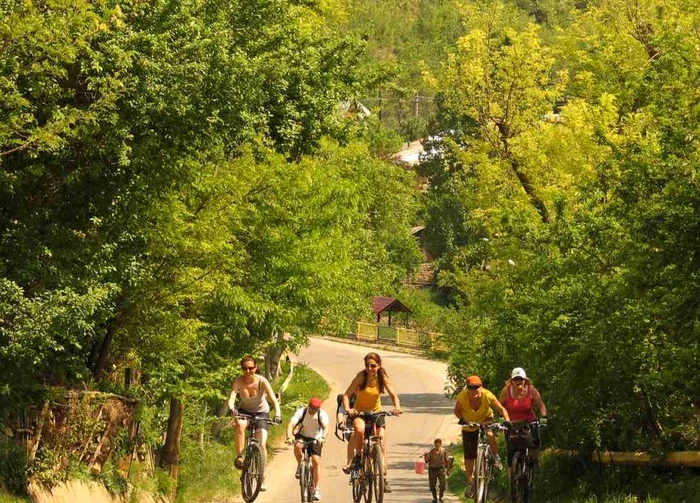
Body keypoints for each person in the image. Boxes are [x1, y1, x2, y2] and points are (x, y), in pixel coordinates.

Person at [341, 352, 402, 493]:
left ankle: (382, 476)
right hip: (359, 412)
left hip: (376, 413)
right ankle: (358, 458)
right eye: (367, 365)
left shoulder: (382, 377)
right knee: (360, 430)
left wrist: (397, 407)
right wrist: (348, 409)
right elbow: (346, 395)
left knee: (381, 442)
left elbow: (394, 395)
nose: (370, 368)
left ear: (379, 366)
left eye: (373, 366)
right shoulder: (360, 377)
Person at [228, 355, 282, 492]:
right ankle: (240, 457)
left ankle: (261, 476)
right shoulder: (238, 382)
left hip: (261, 413)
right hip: (244, 411)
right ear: (242, 369)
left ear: (256, 368)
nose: (248, 371)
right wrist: (232, 408)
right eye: (245, 368)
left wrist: (278, 414)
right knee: (239, 425)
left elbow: (273, 400)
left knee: (261, 443)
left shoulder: (262, 381)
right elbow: (232, 397)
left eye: (251, 368)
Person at [454, 374, 510, 498]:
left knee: (489, 434)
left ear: (481, 387)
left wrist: (507, 421)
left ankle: (496, 457)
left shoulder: (488, 395)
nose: (474, 390)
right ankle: (470, 482)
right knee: (469, 455)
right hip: (469, 424)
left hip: (486, 419)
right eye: (471, 388)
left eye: (476, 387)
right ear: (467, 388)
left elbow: (502, 409)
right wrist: (462, 419)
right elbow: (456, 410)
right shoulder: (462, 397)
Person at [499, 367, 548, 478]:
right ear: (511, 380)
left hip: (529, 421)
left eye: (520, 379)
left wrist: (543, 417)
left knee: (535, 439)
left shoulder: (531, 390)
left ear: (525, 380)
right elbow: (500, 407)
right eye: (515, 379)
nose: (518, 382)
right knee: (511, 451)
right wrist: (502, 420)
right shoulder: (506, 391)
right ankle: (512, 482)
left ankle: (534, 461)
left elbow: (541, 404)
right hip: (511, 423)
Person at [285, 397, 330, 502]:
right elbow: (291, 425)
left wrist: (323, 437)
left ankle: (316, 488)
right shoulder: (301, 412)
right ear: (308, 405)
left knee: (316, 461)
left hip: (316, 438)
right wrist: (289, 437)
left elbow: (326, 427)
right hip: (302, 436)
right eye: (312, 408)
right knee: (297, 446)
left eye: (316, 409)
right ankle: (300, 464)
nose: (313, 410)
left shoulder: (321, 414)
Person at [423, 438, 453, 503]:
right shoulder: (431, 452)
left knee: (443, 484)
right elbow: (426, 461)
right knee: (432, 485)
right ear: (434, 444)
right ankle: (435, 498)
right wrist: (425, 456)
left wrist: (448, 470)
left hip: (441, 470)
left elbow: (447, 461)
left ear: (440, 444)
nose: (437, 444)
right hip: (432, 470)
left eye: (439, 443)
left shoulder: (444, 451)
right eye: (436, 443)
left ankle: (441, 497)